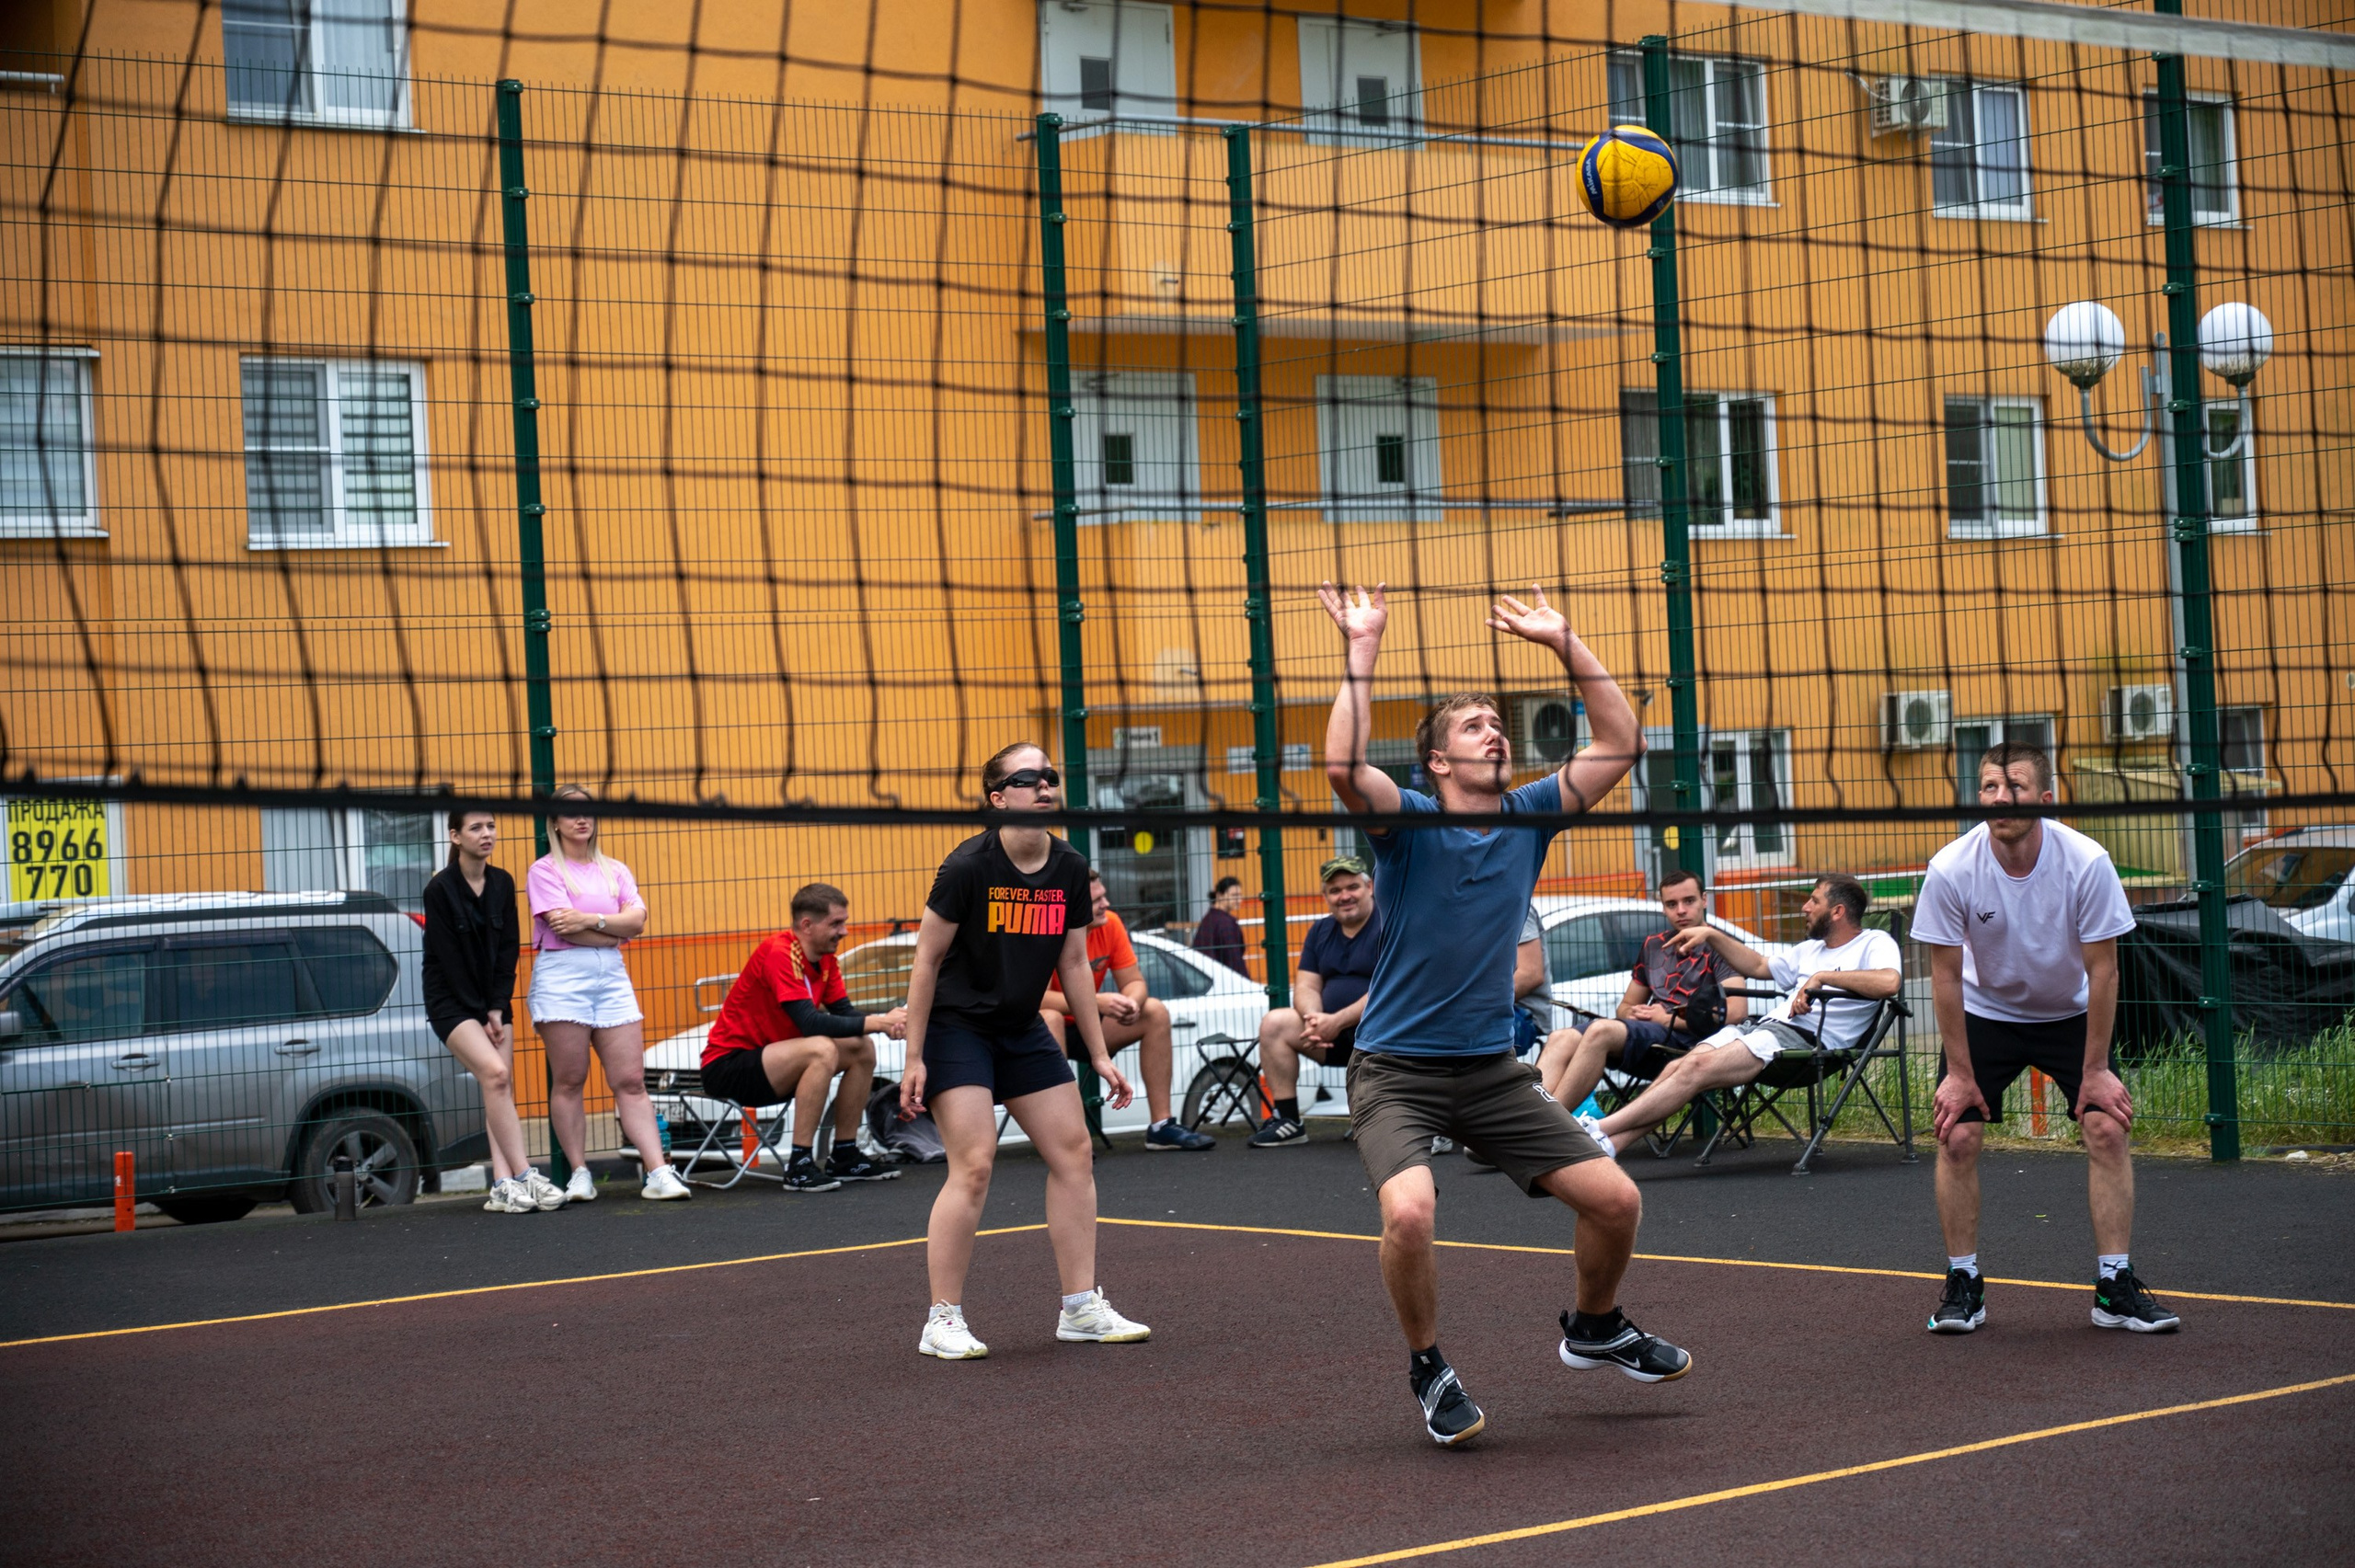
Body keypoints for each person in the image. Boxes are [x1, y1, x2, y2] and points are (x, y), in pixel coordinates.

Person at [1320, 579, 1684, 1448]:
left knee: (1617, 1200)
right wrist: (1362, 649)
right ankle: (1429, 1364)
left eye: (1498, 722)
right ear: (1440, 762)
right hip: (1397, 1071)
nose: (1496, 732)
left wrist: (1566, 640)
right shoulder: (1406, 825)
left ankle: (1594, 1326)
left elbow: (1623, 741)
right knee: (1409, 1213)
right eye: (1474, 726)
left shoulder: (1529, 817)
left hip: (1490, 1071)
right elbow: (1341, 768)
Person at [1914, 741, 2176, 1334]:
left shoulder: (2085, 862)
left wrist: (2096, 1069)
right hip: (1987, 1014)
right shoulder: (1952, 868)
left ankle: (2114, 1285)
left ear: (2045, 799)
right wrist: (1958, 1074)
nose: (2000, 799)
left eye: (2015, 787)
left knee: (2106, 1126)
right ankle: (1964, 1284)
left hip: (2069, 1013)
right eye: (1988, 788)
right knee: (1956, 1136)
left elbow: (2104, 970)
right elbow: (1947, 976)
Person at [900, 743, 1152, 1359]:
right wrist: (915, 1056)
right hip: (957, 1026)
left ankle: (1080, 1308)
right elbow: (926, 961)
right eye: (1026, 778)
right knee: (976, 1161)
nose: (1043, 786)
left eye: (1050, 777)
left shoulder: (1068, 865)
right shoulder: (966, 868)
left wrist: (1097, 1053)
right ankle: (943, 1318)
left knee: (1074, 1152)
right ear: (997, 797)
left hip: (1019, 1024)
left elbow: (1072, 962)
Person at [1582, 875, 1902, 1157]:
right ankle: (1610, 1145)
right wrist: (1709, 934)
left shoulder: (1874, 942)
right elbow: (1759, 967)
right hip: (1766, 1029)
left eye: (1813, 900)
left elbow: (1890, 982)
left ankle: (1596, 1128)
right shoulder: (1809, 949)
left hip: (1808, 1043)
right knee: (1682, 1065)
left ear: (1837, 911)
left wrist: (1821, 978)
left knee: (1696, 1067)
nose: (1805, 907)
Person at [526, 785, 690, 1202]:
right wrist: (610, 929)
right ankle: (579, 1173)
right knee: (570, 1078)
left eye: (588, 813)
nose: (581, 820)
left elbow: (636, 922)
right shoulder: (544, 871)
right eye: (570, 814)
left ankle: (659, 1172)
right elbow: (566, 928)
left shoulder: (615, 870)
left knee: (631, 1080)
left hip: (612, 980)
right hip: (561, 978)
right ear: (555, 823)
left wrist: (590, 919)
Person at [700, 882, 909, 1191]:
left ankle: (845, 1154)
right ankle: (799, 1165)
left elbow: (846, 1015)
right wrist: (880, 1021)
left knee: (861, 1047)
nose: (844, 931)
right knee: (821, 1048)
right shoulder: (779, 952)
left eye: (845, 922)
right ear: (807, 925)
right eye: (836, 923)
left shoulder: (826, 960)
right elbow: (810, 1023)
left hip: (775, 1064)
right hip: (728, 1068)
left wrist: (890, 1022)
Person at [421, 810, 558, 1215]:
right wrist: (482, 1013)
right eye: (476, 828)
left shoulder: (502, 883)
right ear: (456, 836)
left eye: (491, 826)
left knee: (499, 1088)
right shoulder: (440, 889)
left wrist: (497, 1006)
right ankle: (523, 1175)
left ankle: (501, 1185)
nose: (487, 834)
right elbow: (448, 960)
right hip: (452, 1003)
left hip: (492, 1002)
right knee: (495, 1075)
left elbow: (506, 951)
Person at [1537, 869, 1748, 1111]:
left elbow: (1736, 1014)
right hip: (1649, 1040)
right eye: (1671, 904)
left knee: (1601, 1030)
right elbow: (1625, 1007)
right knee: (1560, 1037)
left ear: (1704, 900)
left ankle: (1552, 1130)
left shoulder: (1722, 948)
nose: (1680, 910)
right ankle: (1533, 1123)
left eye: (1688, 901)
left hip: (1690, 1046)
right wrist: (1636, 1013)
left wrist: (1666, 1019)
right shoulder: (1654, 945)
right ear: (1663, 908)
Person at [1040, 871, 1215, 1151]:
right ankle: (1063, 1139)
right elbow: (1037, 1000)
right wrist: (1096, 1002)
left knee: (1154, 1011)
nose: (1106, 904)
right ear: (1074, 905)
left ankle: (1161, 1126)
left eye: (1104, 895)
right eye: (1097, 900)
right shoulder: (1049, 930)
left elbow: (1135, 983)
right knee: (1050, 1019)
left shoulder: (1111, 924)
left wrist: (1131, 1003)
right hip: (1051, 1029)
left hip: (1092, 1028)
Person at [1247, 855, 1379, 1149]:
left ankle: (1385, 1122)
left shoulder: (1389, 923)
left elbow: (1388, 990)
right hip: (1327, 1036)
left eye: (1352, 887)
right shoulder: (1320, 931)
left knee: (1391, 1015)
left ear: (1369, 887)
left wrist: (1337, 1021)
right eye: (1335, 890)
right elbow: (1306, 985)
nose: (1344, 896)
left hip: (1379, 1032)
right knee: (1275, 1024)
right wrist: (1314, 1019)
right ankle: (1289, 1121)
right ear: (1326, 897)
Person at [1192, 876, 1252, 977]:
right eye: (1234, 895)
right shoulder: (1225, 923)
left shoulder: (1209, 918)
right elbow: (1234, 959)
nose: (1239, 900)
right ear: (1219, 896)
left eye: (1240, 896)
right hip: (1225, 978)